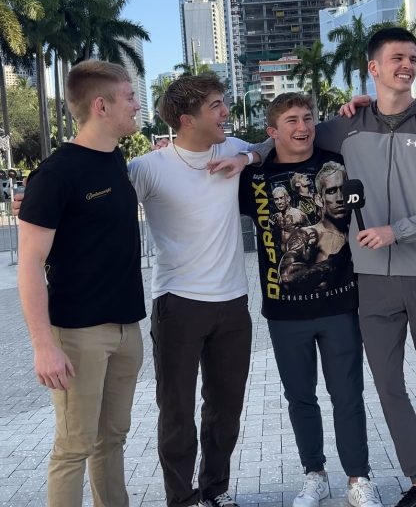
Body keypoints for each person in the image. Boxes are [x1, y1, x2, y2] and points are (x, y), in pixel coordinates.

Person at [315, 28, 416, 507]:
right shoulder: (347, 125)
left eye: (413, 58)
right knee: (389, 386)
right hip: (373, 282)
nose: (407, 65)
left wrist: (396, 231)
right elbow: (289, 138)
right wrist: (249, 153)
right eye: (397, 58)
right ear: (374, 68)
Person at [127, 73, 265, 507]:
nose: (226, 112)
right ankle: (181, 498)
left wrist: (246, 158)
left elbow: (272, 144)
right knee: (176, 412)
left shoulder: (231, 146)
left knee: (225, 409)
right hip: (178, 305)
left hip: (233, 305)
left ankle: (214, 490)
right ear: (187, 120)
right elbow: (99, 197)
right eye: (216, 106)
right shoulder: (148, 168)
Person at [238, 93, 380, 507]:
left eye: (308, 118)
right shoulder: (253, 177)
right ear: (272, 131)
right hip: (284, 310)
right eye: (292, 121)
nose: (303, 127)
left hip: (339, 304)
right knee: (300, 398)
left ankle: (358, 478)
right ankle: (314, 474)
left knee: (347, 395)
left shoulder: (338, 163)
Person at [17, 60, 146, 506]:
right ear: (101, 106)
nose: (137, 105)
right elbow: (29, 264)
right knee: (73, 447)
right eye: (130, 96)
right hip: (77, 335)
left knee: (112, 439)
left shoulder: (115, 159)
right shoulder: (55, 174)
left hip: (127, 327)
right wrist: (43, 346)